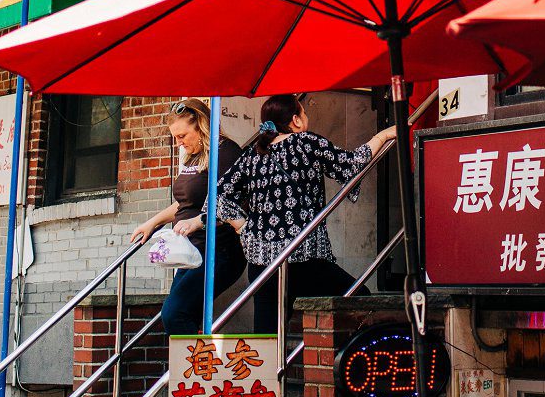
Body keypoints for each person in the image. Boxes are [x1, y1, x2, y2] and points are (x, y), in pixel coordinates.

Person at [200, 93, 396, 334]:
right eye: (303, 112)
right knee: (357, 299)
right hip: (303, 258)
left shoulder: (253, 154)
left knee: (268, 339)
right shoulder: (306, 142)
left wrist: (244, 228)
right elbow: (351, 163)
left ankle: (275, 371)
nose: (306, 116)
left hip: (262, 265)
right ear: (295, 120)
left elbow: (216, 197)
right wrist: (383, 135)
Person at [132, 101, 244, 336]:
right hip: (191, 252)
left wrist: (199, 221)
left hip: (219, 252)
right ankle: (195, 370)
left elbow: (234, 203)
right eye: (175, 137)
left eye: (182, 135)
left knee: (175, 313)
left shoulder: (226, 152)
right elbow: (185, 202)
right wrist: (153, 222)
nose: (179, 142)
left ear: (202, 126)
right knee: (183, 315)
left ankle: (198, 370)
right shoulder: (196, 157)